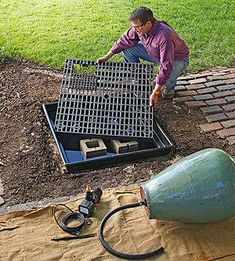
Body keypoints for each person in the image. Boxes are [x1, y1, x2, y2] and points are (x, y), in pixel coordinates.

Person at [97, 6, 189, 108]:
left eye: (137, 27)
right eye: (133, 27)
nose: (135, 30)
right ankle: (139, 78)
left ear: (148, 23)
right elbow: (124, 40)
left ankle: (169, 87)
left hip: (177, 58)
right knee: (128, 49)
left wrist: (155, 92)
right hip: (154, 52)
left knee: (165, 79)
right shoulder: (139, 28)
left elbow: (166, 65)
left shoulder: (164, 36)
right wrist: (107, 56)